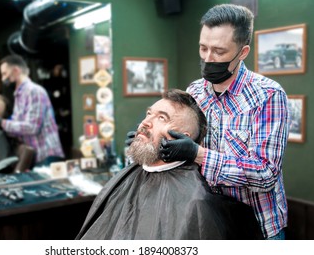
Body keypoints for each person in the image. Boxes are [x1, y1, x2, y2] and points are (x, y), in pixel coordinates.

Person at [158, 4, 290, 240]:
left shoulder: (268, 96)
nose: (208, 59)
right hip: (210, 222)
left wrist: (198, 154)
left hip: (259, 228)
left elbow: (266, 173)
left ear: (243, 52)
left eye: (219, 51)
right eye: (203, 48)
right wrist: (152, 142)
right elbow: (181, 141)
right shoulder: (195, 92)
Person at [77, 89, 262, 240]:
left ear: (181, 139)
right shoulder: (130, 174)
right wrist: (141, 149)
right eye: (149, 113)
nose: (145, 122)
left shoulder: (195, 202)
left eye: (161, 118)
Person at [0, 54, 65, 166]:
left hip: (46, 155)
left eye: (5, 74)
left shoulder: (34, 91)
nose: (3, 79)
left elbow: (32, 127)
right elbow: (17, 126)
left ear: (16, 70)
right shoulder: (19, 95)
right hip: (34, 155)